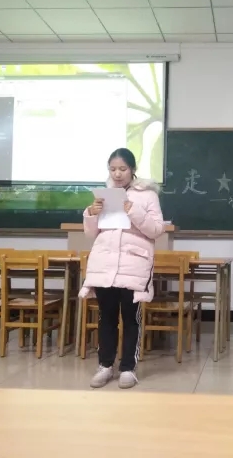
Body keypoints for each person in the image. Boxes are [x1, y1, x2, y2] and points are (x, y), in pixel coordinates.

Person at [79, 148, 165, 389]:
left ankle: (128, 368)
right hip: (104, 265)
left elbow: (156, 230)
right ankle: (105, 366)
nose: (117, 174)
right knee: (106, 317)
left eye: (122, 169)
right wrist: (91, 213)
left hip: (133, 265)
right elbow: (91, 234)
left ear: (133, 169)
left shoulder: (147, 195)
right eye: (113, 169)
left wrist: (132, 210)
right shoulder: (104, 195)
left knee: (130, 318)